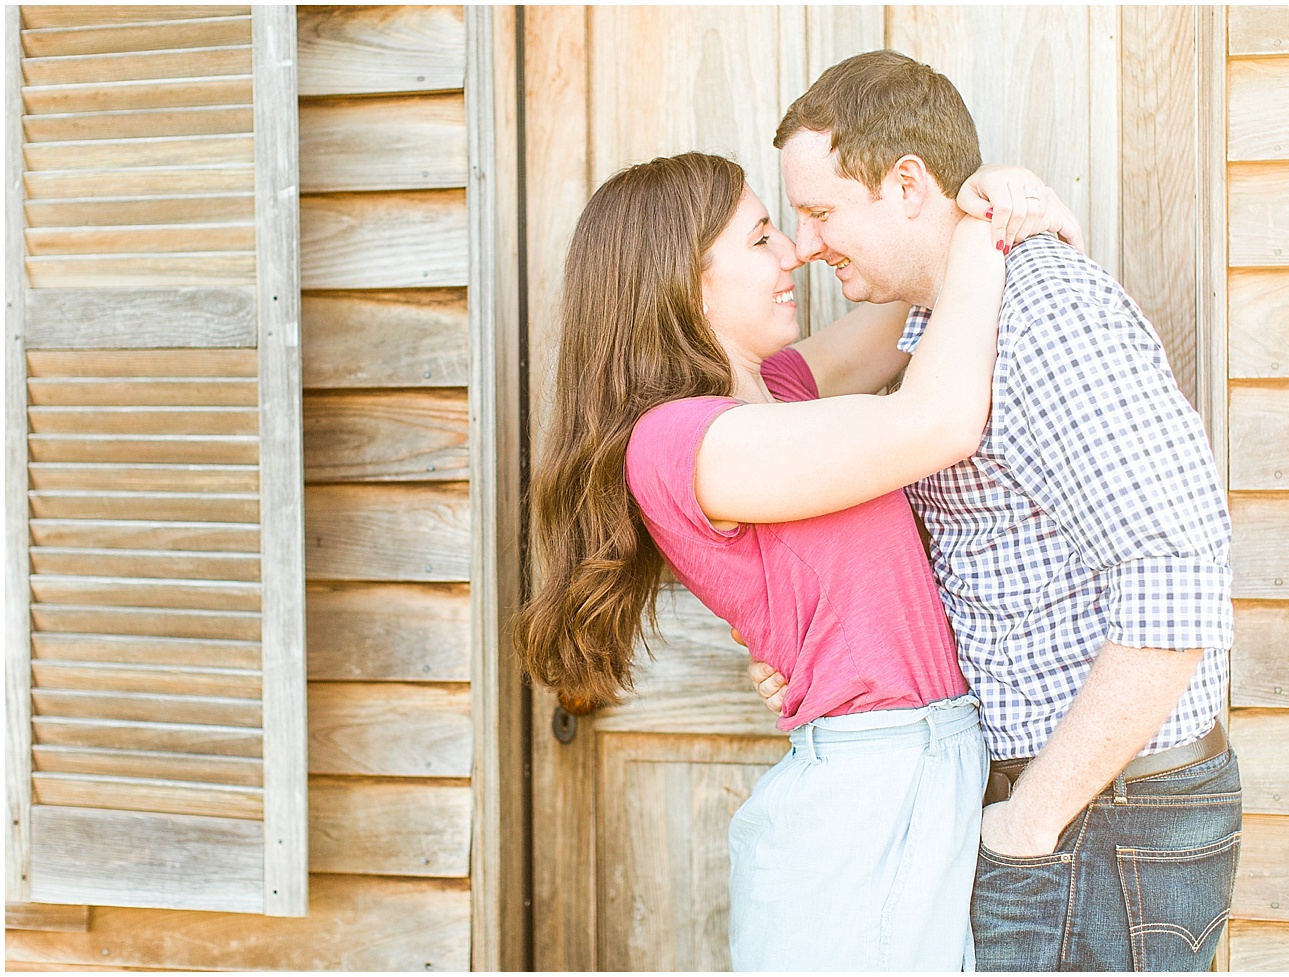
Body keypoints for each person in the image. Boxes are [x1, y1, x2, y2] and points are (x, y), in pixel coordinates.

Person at [513, 150, 1080, 971]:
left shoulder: (781, 390)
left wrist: (981, 199)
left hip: (919, 766)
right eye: (762, 238)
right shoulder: (676, 441)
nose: (796, 254)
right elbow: (937, 421)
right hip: (869, 788)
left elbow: (918, 296)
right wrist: (991, 224)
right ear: (684, 278)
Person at [748, 50, 1241, 972]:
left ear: (905, 186)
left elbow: (1176, 573)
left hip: (1102, 818)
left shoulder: (1047, 315)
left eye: (820, 212)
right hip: (1061, 811)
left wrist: (1033, 816)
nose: (808, 245)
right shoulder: (940, 329)